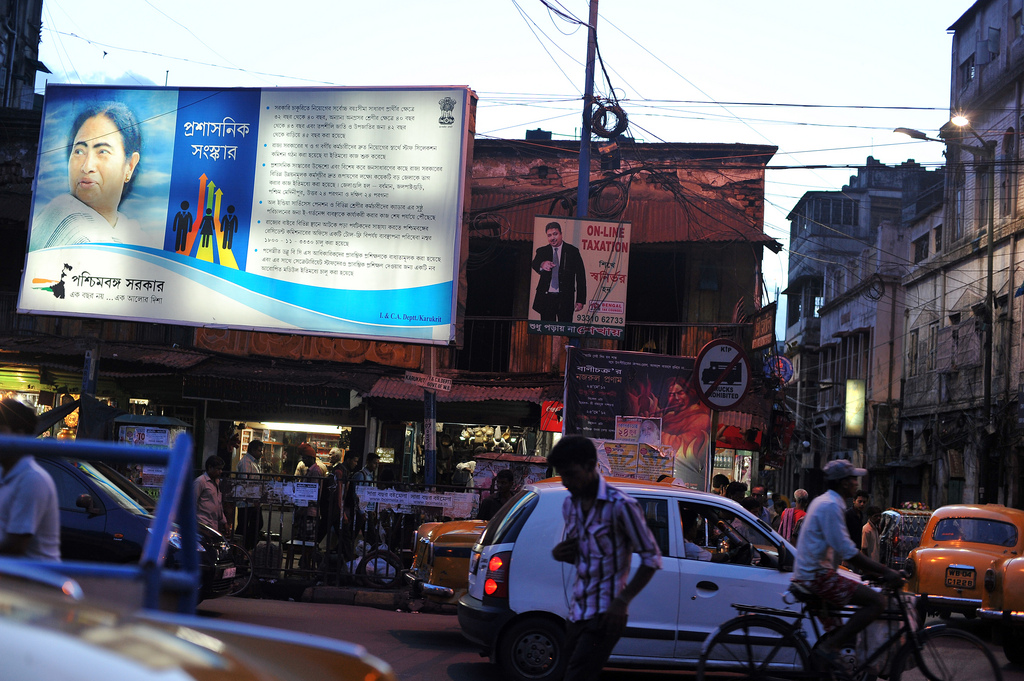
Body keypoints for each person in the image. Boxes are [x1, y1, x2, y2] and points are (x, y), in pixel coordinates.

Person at [548, 436, 662, 681]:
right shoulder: (571, 505)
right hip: (578, 610)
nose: (566, 482)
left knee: (576, 676)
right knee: (563, 672)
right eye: (562, 476)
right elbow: (585, 555)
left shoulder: (622, 506)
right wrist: (561, 553)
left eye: (571, 474)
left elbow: (652, 558)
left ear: (590, 465)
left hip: (606, 614)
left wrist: (622, 601)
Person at [791, 460, 903, 669]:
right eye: (853, 479)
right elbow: (848, 552)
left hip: (815, 572)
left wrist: (873, 571)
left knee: (838, 629)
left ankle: (828, 656)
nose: (856, 483)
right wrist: (885, 571)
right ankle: (829, 648)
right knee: (877, 602)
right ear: (843, 483)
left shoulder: (825, 501)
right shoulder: (832, 506)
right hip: (817, 576)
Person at [31, 102, 143, 250]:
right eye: (79, 151)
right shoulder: (58, 216)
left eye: (102, 151)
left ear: (130, 166)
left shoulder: (134, 237)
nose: (87, 167)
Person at [0, 398, 60, 560]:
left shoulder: (32, 479)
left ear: (19, 435)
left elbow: (15, 547)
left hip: (34, 581)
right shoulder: (5, 473)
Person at [531, 220, 587, 322]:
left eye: (555, 234)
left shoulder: (572, 251)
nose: (552, 238)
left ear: (561, 234)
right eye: (549, 235)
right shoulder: (542, 251)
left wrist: (580, 300)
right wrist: (541, 264)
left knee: (565, 331)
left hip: (565, 298)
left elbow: (581, 276)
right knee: (547, 331)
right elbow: (534, 263)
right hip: (546, 298)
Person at [236, 439, 263, 551]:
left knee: (256, 525)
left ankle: (245, 549)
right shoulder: (246, 462)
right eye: (259, 450)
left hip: (252, 502)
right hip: (247, 502)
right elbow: (246, 483)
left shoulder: (253, 462)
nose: (261, 453)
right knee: (244, 527)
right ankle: (242, 550)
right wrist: (253, 499)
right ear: (252, 450)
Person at [194, 455, 229, 534]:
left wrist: (224, 522)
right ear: (210, 467)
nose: (220, 472)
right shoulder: (200, 481)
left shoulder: (216, 482)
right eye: (218, 469)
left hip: (212, 525)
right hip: (202, 524)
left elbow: (218, 503)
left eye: (221, 469)